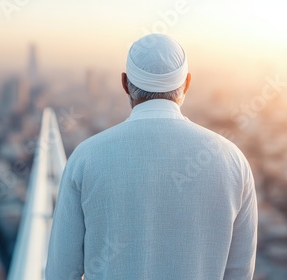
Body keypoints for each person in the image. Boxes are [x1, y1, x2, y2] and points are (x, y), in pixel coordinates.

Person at [45, 34, 258, 280]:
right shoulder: (232, 160)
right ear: (187, 83)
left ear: (124, 83)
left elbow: (61, 272)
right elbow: (240, 272)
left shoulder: (86, 157)